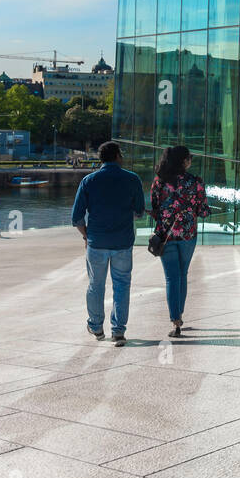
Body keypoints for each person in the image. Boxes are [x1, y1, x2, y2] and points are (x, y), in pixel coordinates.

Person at [71, 141, 146, 346]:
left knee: (96, 284)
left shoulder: (89, 181)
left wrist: (87, 236)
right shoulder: (132, 179)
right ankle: (118, 331)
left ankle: (96, 327)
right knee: (122, 285)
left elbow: (76, 217)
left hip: (96, 242)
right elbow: (139, 211)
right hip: (122, 242)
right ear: (118, 156)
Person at [150, 145, 211, 339]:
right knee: (182, 275)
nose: (191, 161)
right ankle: (180, 316)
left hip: (165, 236)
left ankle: (175, 320)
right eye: (189, 158)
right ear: (183, 161)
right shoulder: (195, 182)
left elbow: (155, 206)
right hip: (187, 235)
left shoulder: (159, 182)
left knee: (171, 278)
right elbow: (203, 211)